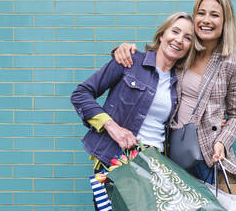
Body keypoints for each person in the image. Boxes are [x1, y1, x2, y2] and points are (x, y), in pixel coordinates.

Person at [113, 0, 236, 183]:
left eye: (215, 15)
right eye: (201, 13)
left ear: (226, 22)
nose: (206, 20)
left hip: (208, 155)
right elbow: (153, 62)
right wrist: (124, 49)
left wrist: (222, 143)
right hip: (171, 152)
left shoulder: (232, 63)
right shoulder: (183, 52)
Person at [71, 12, 195, 173]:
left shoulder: (178, 82)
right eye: (175, 31)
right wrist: (112, 127)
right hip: (117, 161)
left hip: (156, 167)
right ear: (162, 35)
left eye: (187, 38)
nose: (179, 40)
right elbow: (80, 94)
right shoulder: (130, 61)